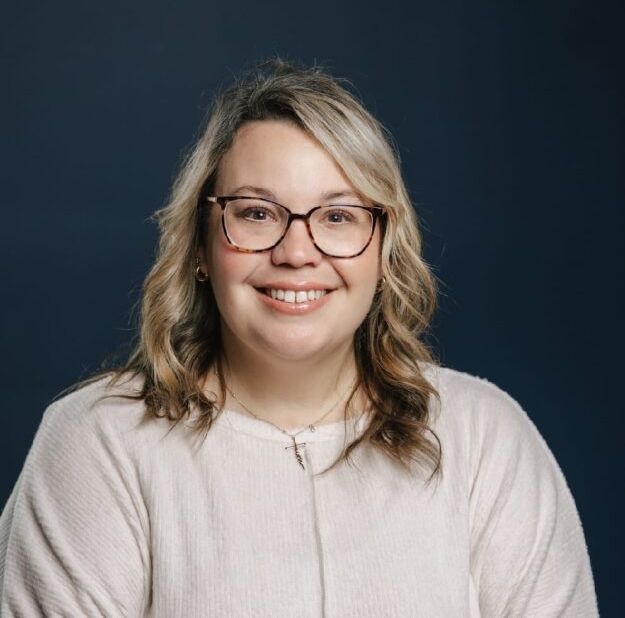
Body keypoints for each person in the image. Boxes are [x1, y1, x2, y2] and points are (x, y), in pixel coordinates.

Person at [0, 59, 598, 617]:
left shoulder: (486, 440)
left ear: (384, 251)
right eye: (256, 213)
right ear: (201, 246)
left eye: (338, 216)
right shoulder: (99, 446)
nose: (296, 253)